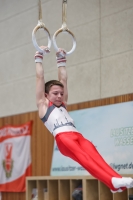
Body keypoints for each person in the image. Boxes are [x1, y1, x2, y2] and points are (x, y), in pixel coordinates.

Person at [34, 46, 133, 193]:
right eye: (55, 93)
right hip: (63, 138)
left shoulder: (63, 105)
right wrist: (39, 57)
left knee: (95, 155)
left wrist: (61, 60)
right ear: (46, 95)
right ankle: (111, 181)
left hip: (77, 135)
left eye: (61, 93)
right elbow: (40, 78)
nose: (60, 96)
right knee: (85, 159)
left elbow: (63, 79)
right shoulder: (43, 106)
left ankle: (114, 182)